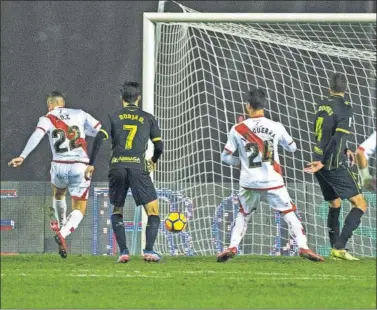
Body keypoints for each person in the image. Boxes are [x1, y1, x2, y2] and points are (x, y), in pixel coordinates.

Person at [217, 88, 323, 263]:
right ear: (263, 106)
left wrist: (240, 163)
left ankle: (233, 246)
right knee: (289, 212)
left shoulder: (237, 129)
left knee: (243, 213)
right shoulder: (276, 126)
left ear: (248, 106)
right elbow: (292, 147)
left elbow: (225, 157)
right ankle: (303, 246)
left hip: (249, 182)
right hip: (273, 180)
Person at [8, 91, 102, 258]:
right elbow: (100, 132)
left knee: (58, 194)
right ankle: (63, 232)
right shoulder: (79, 113)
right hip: (79, 166)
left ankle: (61, 223)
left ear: (50, 105)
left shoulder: (47, 118)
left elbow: (37, 135)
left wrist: (23, 156)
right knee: (79, 206)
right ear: (63, 103)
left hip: (59, 165)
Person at [85, 81, 164, 263]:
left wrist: (91, 163)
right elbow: (159, 145)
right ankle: (149, 250)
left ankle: (124, 252)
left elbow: (100, 138)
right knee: (152, 211)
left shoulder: (114, 116)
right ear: (139, 98)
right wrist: (153, 160)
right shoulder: (148, 118)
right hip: (138, 166)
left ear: (122, 99)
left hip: (117, 166)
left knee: (117, 209)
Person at [304, 72, 368, 261]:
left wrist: (344, 149)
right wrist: (326, 160)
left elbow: (326, 133)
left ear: (329, 89)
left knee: (335, 202)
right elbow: (338, 136)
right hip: (330, 163)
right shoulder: (345, 108)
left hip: (317, 159)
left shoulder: (322, 105)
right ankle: (339, 247)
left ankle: (334, 247)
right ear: (345, 89)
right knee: (361, 204)